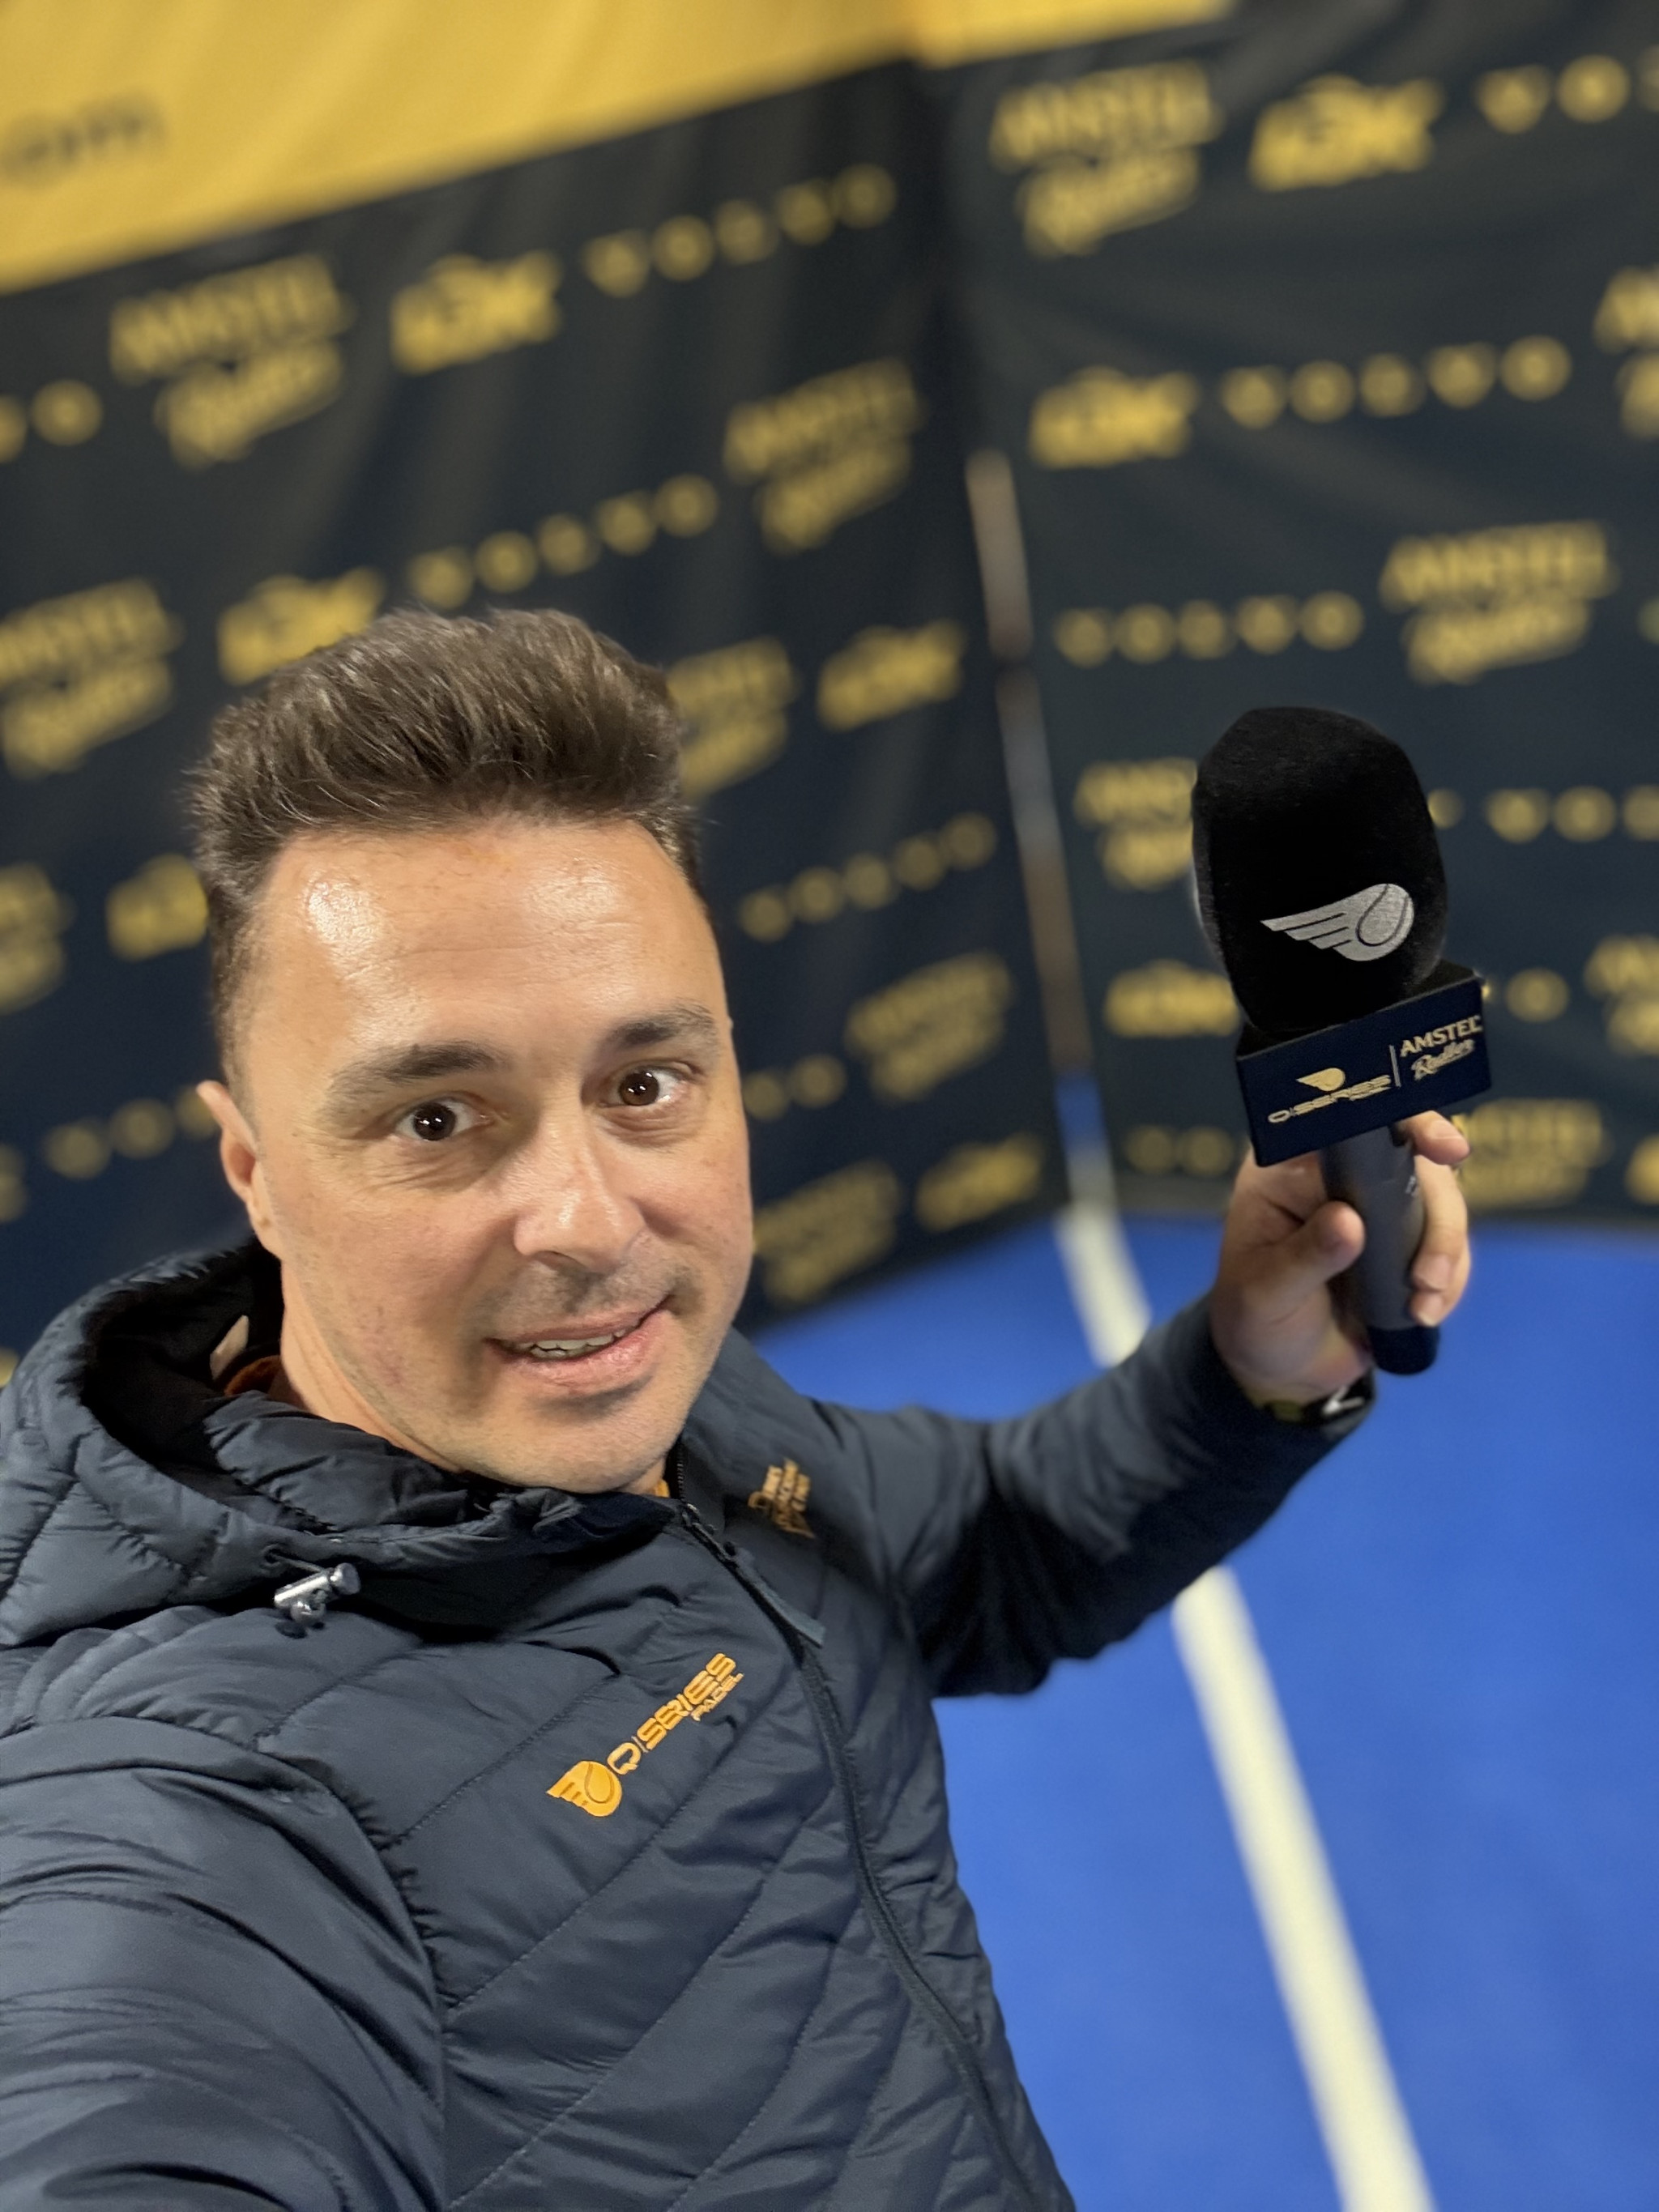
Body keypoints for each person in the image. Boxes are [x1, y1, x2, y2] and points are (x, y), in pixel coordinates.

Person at [0, 609, 1469, 2211]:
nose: (586, 1224)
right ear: (256, 1171)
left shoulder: (658, 1406)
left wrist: (1247, 1368)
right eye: (435, 1118)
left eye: (643, 1085)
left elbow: (987, 1547)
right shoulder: (187, 1812)